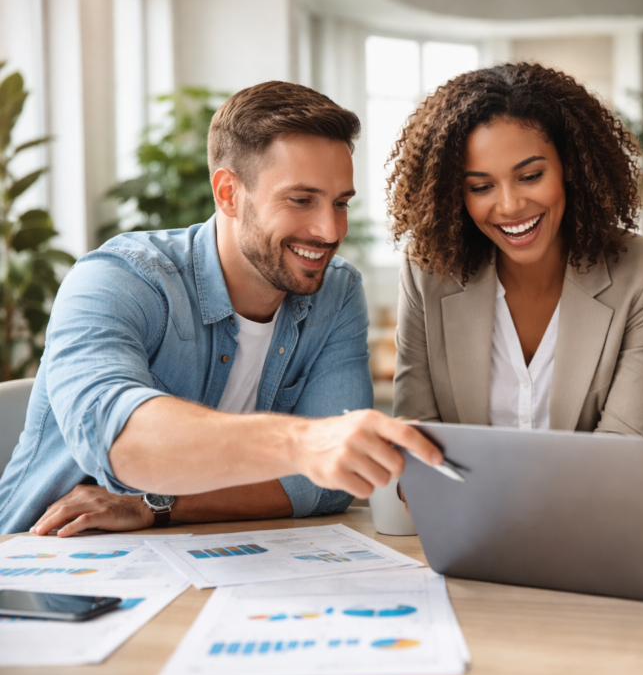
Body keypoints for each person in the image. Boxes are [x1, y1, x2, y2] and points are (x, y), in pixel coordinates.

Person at [0, 81, 441, 537]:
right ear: (228, 193)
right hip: (44, 559)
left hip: (206, 564)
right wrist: (305, 443)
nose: (329, 231)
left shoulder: (335, 291)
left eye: (340, 203)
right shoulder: (120, 278)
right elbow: (121, 443)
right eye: (301, 200)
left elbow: (326, 489)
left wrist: (158, 505)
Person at [387, 63, 643, 444]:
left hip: (590, 506)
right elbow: (416, 442)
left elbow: (621, 457)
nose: (509, 206)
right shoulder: (426, 273)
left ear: (571, 167)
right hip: (469, 506)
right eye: (480, 187)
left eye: (530, 177)